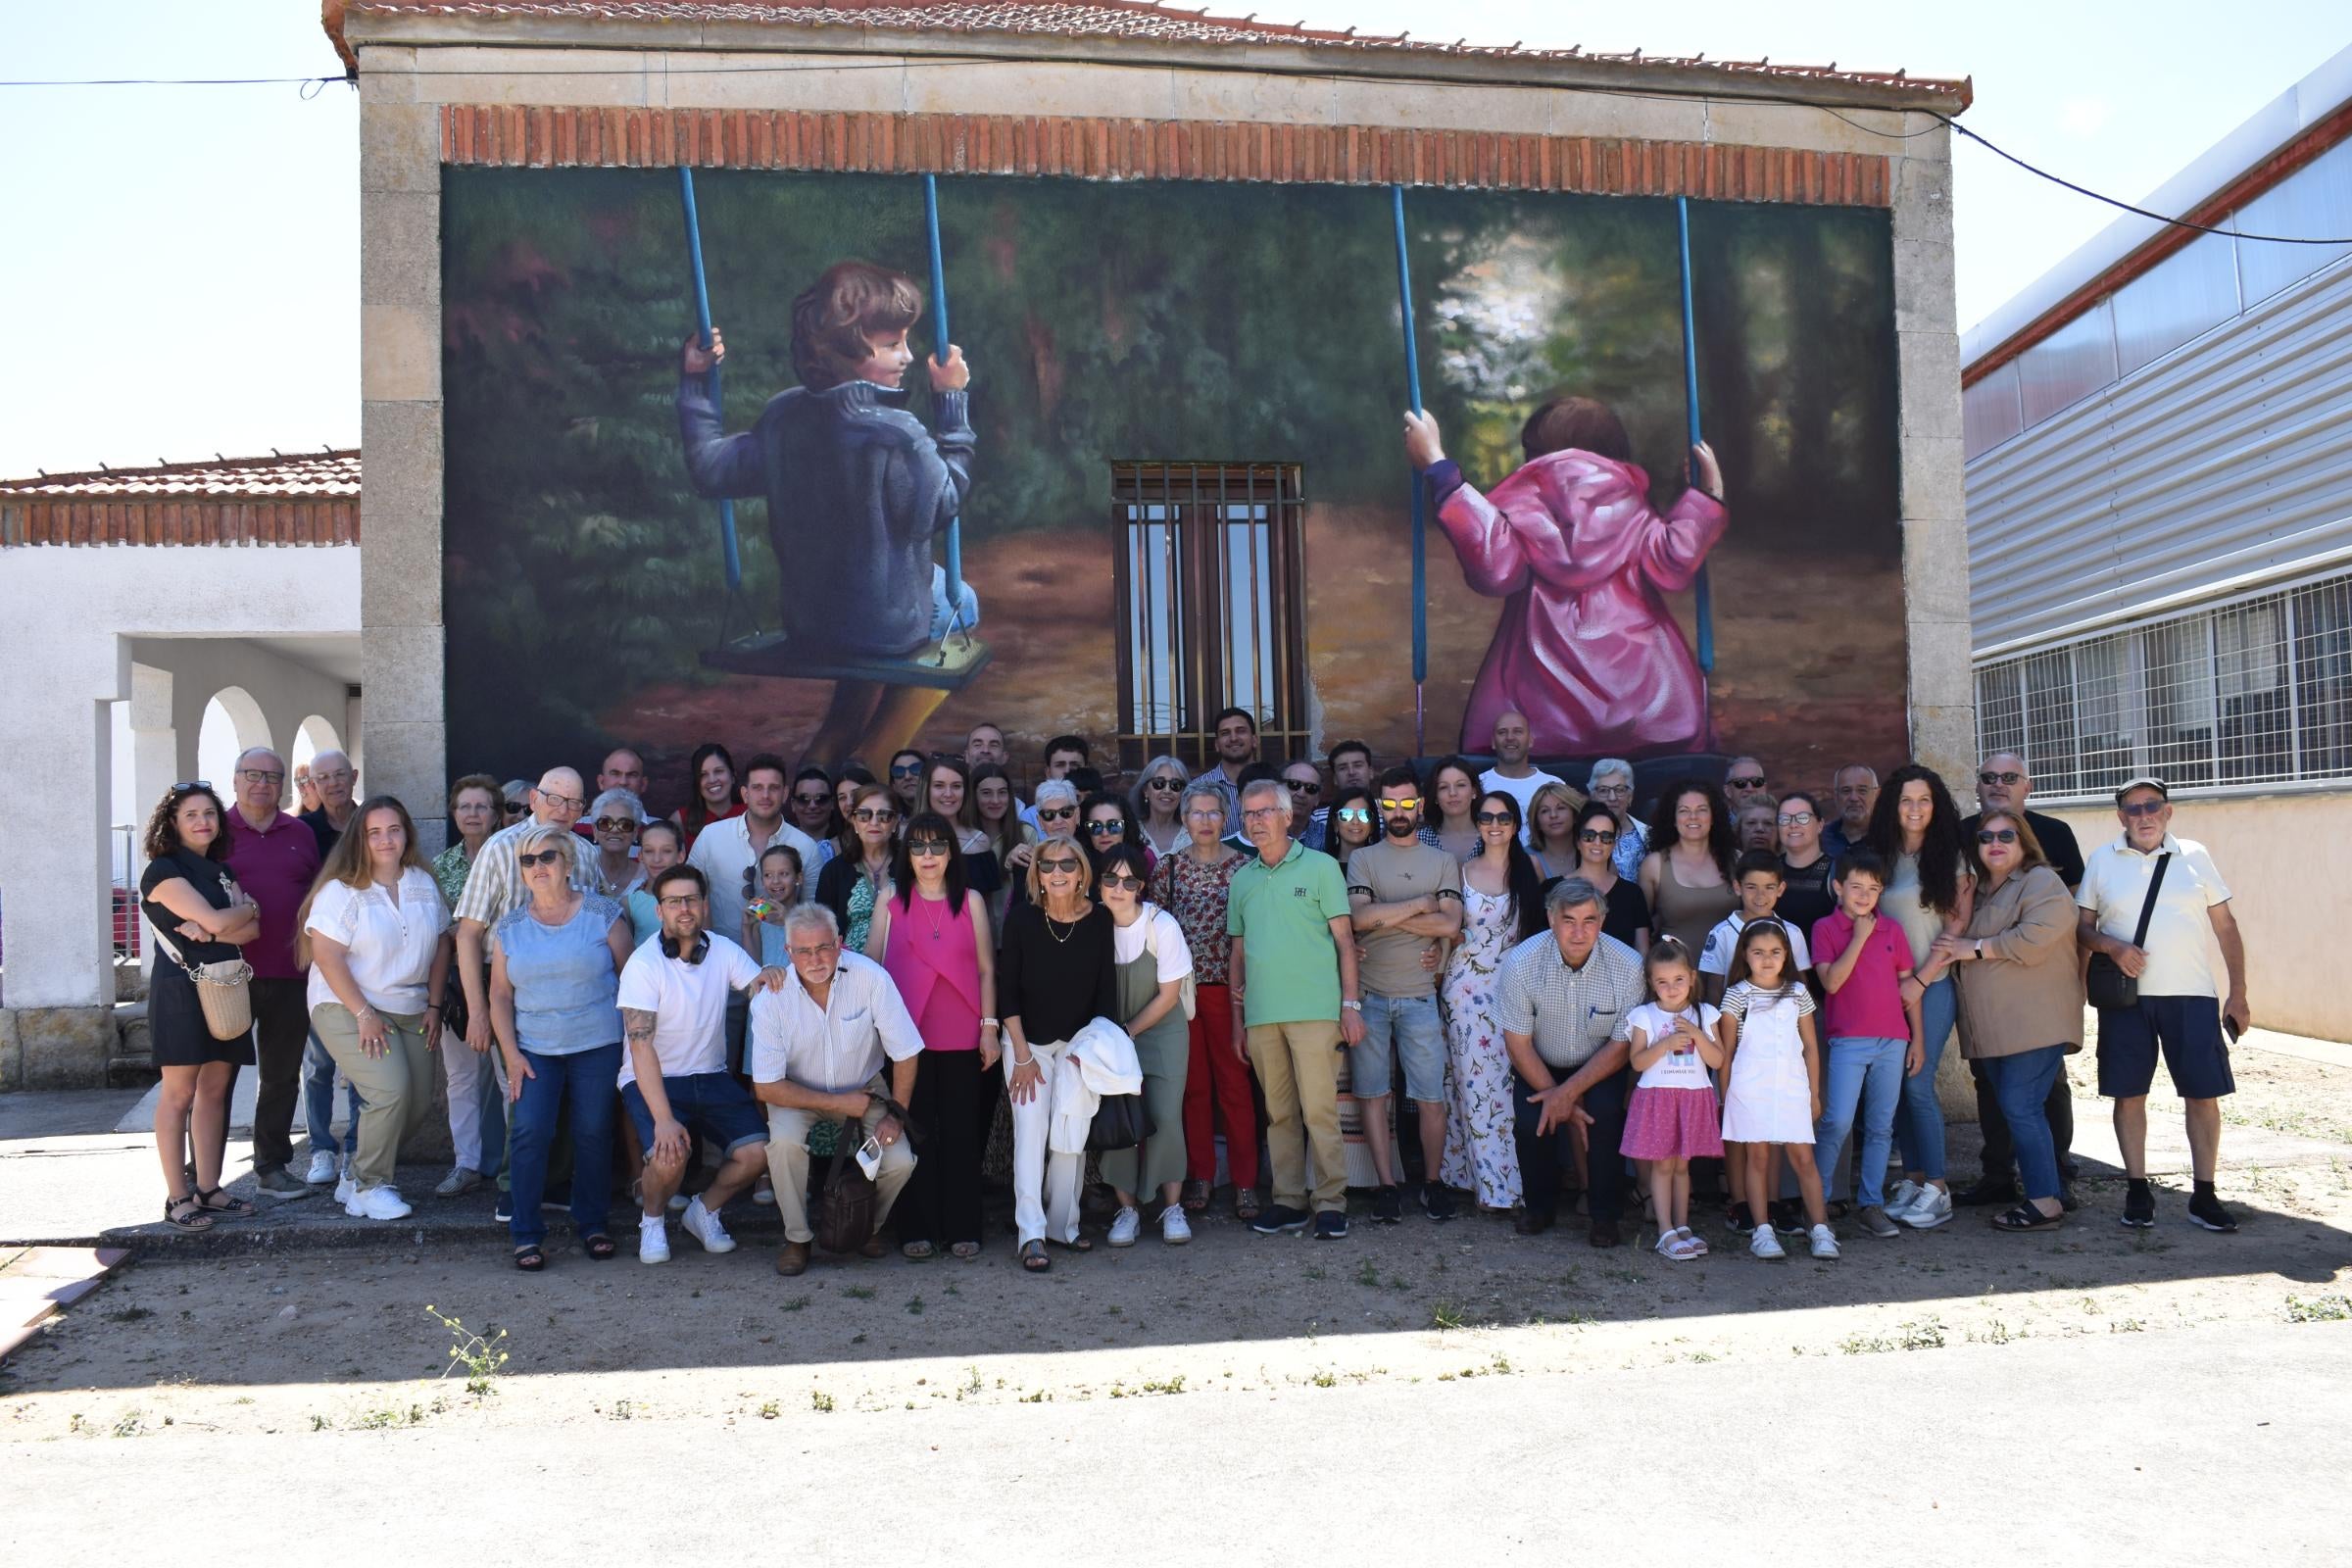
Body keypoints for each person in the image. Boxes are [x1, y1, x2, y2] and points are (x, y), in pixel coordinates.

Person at [681, 259, 975, 764]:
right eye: (892, 344)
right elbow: (949, 498)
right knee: (960, 603)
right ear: (843, 353)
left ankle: (834, 741)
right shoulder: (897, 434)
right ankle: (881, 752)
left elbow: (711, 469)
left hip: (810, 624)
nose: (908, 355)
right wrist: (951, 402)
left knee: (868, 624)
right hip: (886, 628)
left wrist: (693, 383)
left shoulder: (782, 418)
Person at [1404, 399, 1726, 757]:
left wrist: (1440, 469)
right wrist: (1708, 494)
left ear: (1534, 454)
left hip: (1540, 717)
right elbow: (1674, 562)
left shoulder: (1520, 509)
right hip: (1648, 712)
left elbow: (1493, 569)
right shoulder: (1634, 510)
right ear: (1615, 453)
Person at [2076, 778, 2250, 1233]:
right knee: (2128, 1093)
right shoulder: (2101, 860)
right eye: (2133, 809)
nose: (2143, 815)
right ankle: (2137, 1189)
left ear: (2167, 811)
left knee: (2202, 1093)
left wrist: (2239, 993)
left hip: (2192, 995)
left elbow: (2226, 927)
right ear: (2121, 817)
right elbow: (2082, 930)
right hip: (2125, 999)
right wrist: (2111, 946)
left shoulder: (2195, 855)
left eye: (2152, 806)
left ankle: (2205, 1193)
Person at [615, 864, 790, 1263]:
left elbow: (757, 988)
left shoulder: (723, 949)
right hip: (655, 1079)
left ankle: (704, 1211)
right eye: (674, 901)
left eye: (691, 899)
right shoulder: (643, 965)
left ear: (704, 905)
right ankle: (653, 1221)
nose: (685, 908)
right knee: (668, 1152)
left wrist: (772, 974)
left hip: (710, 1076)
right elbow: (641, 1048)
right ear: (659, 910)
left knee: (760, 1152)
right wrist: (663, 1119)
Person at [300, 795, 454, 1222]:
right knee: (389, 1091)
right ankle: (371, 1185)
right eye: (374, 832)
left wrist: (436, 1004)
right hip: (346, 1005)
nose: (385, 840)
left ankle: (354, 1175)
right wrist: (364, 1014)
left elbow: (443, 941)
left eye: (394, 830)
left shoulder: (423, 882)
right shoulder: (342, 890)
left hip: (410, 1006)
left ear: (406, 833)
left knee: (418, 1103)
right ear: (360, 840)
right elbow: (326, 956)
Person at [749, 904, 924, 1275]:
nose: (815, 959)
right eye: (804, 951)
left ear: (840, 943)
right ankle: (797, 1238)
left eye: (824, 947)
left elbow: (906, 1053)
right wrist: (838, 1103)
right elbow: (765, 1087)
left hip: (865, 1086)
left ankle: (864, 1228)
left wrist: (896, 1115)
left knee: (900, 1161)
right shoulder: (770, 1000)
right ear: (788, 952)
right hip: (794, 1093)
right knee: (783, 1145)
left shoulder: (871, 977)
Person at [488, 824, 632, 1267]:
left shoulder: (604, 913)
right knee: (530, 1131)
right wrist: (511, 1055)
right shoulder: (509, 927)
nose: (537, 867)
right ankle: (526, 1232)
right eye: (528, 861)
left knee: (592, 1132)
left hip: (598, 1044)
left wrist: (635, 1046)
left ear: (568, 865)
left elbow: (632, 978)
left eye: (547, 857)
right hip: (534, 1048)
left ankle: (592, 1223)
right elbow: (499, 996)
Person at [1229, 776, 1365, 1241]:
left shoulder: (1323, 867)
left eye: (1266, 811)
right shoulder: (1242, 877)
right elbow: (1238, 955)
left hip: (1315, 1011)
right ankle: (1288, 1201)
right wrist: (1237, 1023)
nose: (1257, 821)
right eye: (1249, 813)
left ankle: (1331, 1202)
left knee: (1320, 1111)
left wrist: (1350, 1005)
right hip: (1262, 1014)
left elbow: (1346, 942)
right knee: (1279, 1113)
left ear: (1288, 816)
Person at [1937, 809, 2081, 1233]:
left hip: (2035, 1022)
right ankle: (2037, 1191)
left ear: (2024, 843)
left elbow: (2036, 937)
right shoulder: (1977, 889)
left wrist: (1975, 948)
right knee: (2013, 1108)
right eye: (1985, 837)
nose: (1995, 843)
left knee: (2021, 1106)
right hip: (1993, 1028)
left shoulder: (2041, 881)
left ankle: (2045, 1202)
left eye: (2006, 836)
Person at [866, 812, 995, 1259]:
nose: (927, 856)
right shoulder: (889, 900)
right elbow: (871, 970)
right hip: (905, 1040)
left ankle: (964, 1227)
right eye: (917, 847)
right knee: (914, 1134)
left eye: (937, 846)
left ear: (950, 853)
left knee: (961, 1134)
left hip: (963, 1032)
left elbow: (985, 969)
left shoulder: (972, 900)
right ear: (906, 854)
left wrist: (990, 1029)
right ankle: (914, 1228)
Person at [138, 782, 263, 1231]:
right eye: (191, 814)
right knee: (178, 1095)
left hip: (225, 986)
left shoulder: (220, 871)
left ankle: (209, 1188)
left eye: (209, 813)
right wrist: (239, 914)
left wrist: (213, 931)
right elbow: (238, 917)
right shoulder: (163, 871)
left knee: (214, 1091)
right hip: (181, 989)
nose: (202, 821)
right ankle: (177, 1198)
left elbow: (252, 930)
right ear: (172, 822)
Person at [1496, 877, 1646, 1245]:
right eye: (1569, 920)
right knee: (1532, 1122)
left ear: (1603, 921)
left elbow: (1620, 1045)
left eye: (1589, 920)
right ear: (1551, 919)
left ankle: (1605, 1217)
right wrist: (1558, 1096)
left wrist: (1572, 1093)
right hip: (1540, 1061)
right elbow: (1517, 1043)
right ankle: (1538, 1209)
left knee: (1606, 1117)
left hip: (1601, 1065)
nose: (1579, 932)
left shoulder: (1628, 965)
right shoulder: (1521, 963)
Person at [1347, 766, 1466, 1222]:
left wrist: (1385, 915)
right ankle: (1386, 1186)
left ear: (1420, 805)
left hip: (1419, 997)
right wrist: (1419, 904)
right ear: (1381, 807)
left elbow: (1451, 924)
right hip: (1371, 994)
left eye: (1407, 803)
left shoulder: (1442, 862)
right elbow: (1358, 919)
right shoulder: (1363, 859)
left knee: (1430, 1097)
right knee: (1373, 1095)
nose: (1398, 812)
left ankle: (1432, 1184)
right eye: (1389, 804)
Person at [998, 835, 1118, 1271]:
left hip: (1079, 1045)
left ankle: (1063, 1227)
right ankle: (1031, 1233)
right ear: (1037, 875)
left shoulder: (1101, 921)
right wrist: (1023, 1055)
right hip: (1025, 1043)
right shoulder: (1023, 921)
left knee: (1071, 1136)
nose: (1058, 873)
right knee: (1030, 1135)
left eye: (1068, 865)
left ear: (1083, 873)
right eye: (1048, 866)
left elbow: (1107, 994)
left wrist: (1087, 1052)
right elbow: (1006, 992)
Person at [1864, 763, 1974, 1231]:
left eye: (1924, 800)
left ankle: (1939, 1188)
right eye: (1906, 800)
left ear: (1936, 806)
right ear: (1893, 805)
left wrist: (1922, 980)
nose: (1914, 809)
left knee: (1916, 1083)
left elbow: (1956, 929)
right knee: (1896, 1090)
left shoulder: (1951, 858)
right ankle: (1912, 1177)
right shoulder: (1878, 858)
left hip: (1930, 987)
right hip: (1883, 991)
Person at [219, 747, 322, 1200]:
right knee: (214, 1076)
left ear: (284, 785)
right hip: (225, 975)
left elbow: (317, 896)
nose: (262, 783)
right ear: (236, 779)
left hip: (289, 973)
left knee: (280, 1076)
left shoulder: (300, 832)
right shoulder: (213, 831)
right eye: (252, 774)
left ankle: (271, 1167)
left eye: (272, 776)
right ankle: (201, 1170)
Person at [1152, 779, 1257, 1219]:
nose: (1206, 821)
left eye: (1214, 813)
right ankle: (1199, 1174)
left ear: (1226, 817)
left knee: (1236, 1089)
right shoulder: (1168, 869)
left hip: (1232, 993)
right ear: (1184, 818)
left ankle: (1247, 1182)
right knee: (1192, 1090)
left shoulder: (1247, 868)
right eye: (1197, 813)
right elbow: (1151, 932)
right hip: (1183, 995)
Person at [1809, 849, 1924, 1241]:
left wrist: (1917, 1039)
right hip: (1848, 1041)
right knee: (1837, 1121)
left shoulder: (1892, 930)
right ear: (1838, 886)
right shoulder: (1825, 928)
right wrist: (1858, 937)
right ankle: (1817, 1205)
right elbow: (1831, 983)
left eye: (1872, 889)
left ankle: (1870, 1204)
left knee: (1880, 1127)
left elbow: (1909, 991)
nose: (1863, 895)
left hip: (1893, 1039)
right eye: (1855, 886)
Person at [1441, 794, 1546, 1213]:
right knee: (1472, 1086)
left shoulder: (1531, 868)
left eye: (1503, 817)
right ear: (1479, 823)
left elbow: (1538, 934)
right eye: (1486, 817)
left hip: (1515, 989)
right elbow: (1450, 930)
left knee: (1509, 1089)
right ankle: (1488, 1188)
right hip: (1465, 991)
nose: (1495, 823)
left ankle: (1513, 1183)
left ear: (1516, 823)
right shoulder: (1461, 870)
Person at [1097, 842, 1196, 1247]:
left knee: (1165, 1117)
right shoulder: (1091, 925)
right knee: (1117, 1118)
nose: (1118, 888)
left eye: (1129, 880)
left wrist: (1128, 1031)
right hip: (1111, 1036)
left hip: (1160, 1032)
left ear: (1141, 886)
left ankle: (1171, 1207)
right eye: (1110, 878)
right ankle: (1128, 1210)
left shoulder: (1161, 925)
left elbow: (1169, 996)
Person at [1717, 921, 1836, 1260]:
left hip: (1791, 1087)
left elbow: (1811, 1048)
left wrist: (1813, 1094)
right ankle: (1762, 1230)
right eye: (1758, 952)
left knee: (1802, 1158)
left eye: (1775, 952)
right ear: (1745, 955)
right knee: (1758, 1157)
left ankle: (1821, 1229)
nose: (1767, 959)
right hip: (1749, 1088)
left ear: (1787, 955)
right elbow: (1726, 1054)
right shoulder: (1736, 995)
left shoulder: (1798, 993)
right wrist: (1725, 1098)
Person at [1619, 938, 1724, 1261]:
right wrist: (1664, 1044)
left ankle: (1682, 1226)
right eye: (1662, 982)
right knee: (1663, 1166)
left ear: (1692, 977)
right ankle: (1664, 1230)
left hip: (1693, 1097)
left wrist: (1695, 1034)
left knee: (1682, 1166)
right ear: (1651, 983)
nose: (1672, 987)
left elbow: (1717, 1060)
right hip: (1658, 1098)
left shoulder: (1705, 1013)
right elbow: (1637, 1062)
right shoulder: (1644, 1015)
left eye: (1678, 979)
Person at [427, 772, 507, 1198]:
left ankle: (517, 1166)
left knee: (511, 1078)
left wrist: (469, 928)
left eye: (481, 806)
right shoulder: (439, 868)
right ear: (454, 814)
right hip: (459, 986)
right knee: (461, 1077)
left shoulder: (516, 857)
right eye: (465, 807)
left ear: (495, 815)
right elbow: (439, 932)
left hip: (508, 981)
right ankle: (467, 1164)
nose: (473, 814)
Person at [689, 752, 822, 955]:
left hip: (783, 965)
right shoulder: (710, 837)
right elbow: (689, 895)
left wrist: (787, 919)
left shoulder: (806, 847)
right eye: (757, 787)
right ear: (745, 794)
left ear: (785, 794)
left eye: (774, 788)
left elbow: (815, 913)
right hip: (719, 962)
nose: (766, 796)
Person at [1698, 851, 1814, 1004]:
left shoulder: (1793, 933)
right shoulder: (1721, 933)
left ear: (1780, 889)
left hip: (1782, 1024)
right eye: (1752, 887)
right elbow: (1714, 989)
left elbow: (1801, 984)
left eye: (1769, 887)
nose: (1761, 895)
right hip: (1735, 1025)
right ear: (1738, 887)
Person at [1640, 778, 1739, 957]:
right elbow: (1641, 928)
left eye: (1701, 810)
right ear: (1673, 819)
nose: (1693, 817)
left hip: (1731, 975)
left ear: (1713, 816)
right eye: (1684, 811)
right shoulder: (1654, 865)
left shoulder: (1737, 861)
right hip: (1672, 980)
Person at [814, 783, 899, 952]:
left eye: (883, 816)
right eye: (864, 815)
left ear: (895, 823)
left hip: (905, 965)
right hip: (851, 969)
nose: (874, 822)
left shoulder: (913, 865)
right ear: (854, 821)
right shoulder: (834, 871)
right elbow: (821, 929)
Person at [1570, 799, 1649, 951]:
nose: (1597, 842)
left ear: (1613, 844)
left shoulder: (1632, 894)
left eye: (1606, 837)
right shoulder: (1552, 889)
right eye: (1589, 835)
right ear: (1577, 841)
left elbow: (1642, 953)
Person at [970, 762, 1035, 927]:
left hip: (1015, 935)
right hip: (973, 935)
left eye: (1002, 793)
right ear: (973, 796)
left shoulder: (1026, 833)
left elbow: (1035, 888)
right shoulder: (964, 838)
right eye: (986, 793)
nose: (996, 800)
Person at [1478, 710, 1565, 827]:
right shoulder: (1477, 784)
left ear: (1530, 740)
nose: (1510, 737)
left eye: (1518, 731)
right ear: (1493, 742)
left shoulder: (1554, 784)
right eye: (1502, 732)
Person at [1003, 778, 1078, 911]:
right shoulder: (1027, 862)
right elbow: (1019, 916)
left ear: (1077, 815)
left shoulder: (1093, 858)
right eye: (1049, 815)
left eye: (1066, 812)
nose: (1058, 821)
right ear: (1040, 821)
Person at [1775, 791, 1838, 938]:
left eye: (1802, 818)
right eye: (1784, 819)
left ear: (1820, 825)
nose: (1793, 825)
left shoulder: (1836, 872)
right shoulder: (1768, 872)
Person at [742, 844, 806, 963]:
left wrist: (789, 922)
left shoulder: (810, 915)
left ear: (798, 878)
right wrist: (747, 928)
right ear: (761, 880)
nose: (775, 881)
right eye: (768, 875)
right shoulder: (761, 913)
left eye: (784, 874)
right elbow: (752, 966)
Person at [671, 742, 742, 850]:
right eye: (703, 774)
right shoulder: (680, 819)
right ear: (697, 782)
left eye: (718, 771)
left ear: (733, 776)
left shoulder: (750, 814)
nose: (712, 780)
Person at [1587, 759, 1648, 879]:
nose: (1612, 798)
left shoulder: (1648, 835)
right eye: (1603, 790)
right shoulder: (1580, 836)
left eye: (1619, 790)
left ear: (1630, 796)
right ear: (1592, 796)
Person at [626, 820, 685, 947]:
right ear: (640, 856)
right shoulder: (630, 903)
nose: (657, 859)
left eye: (667, 851)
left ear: (680, 855)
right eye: (649, 851)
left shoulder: (693, 898)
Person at [587, 788, 648, 898]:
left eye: (625, 824)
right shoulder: (581, 873)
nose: (614, 830)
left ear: (635, 832)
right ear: (595, 831)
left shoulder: (647, 877)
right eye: (605, 823)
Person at [1421, 755, 1483, 858]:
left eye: (1460, 785)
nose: (1452, 793)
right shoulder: (1421, 840)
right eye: (1443, 787)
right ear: (1435, 796)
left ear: (1474, 791)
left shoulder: (1490, 836)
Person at [1130, 755, 1192, 857]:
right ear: (1145, 790)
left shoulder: (1192, 836)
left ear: (1183, 793)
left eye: (1175, 785)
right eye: (1159, 783)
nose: (1167, 791)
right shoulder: (1131, 833)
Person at [299, 749, 358, 856]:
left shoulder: (372, 822)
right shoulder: (302, 829)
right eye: (323, 777)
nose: (333, 783)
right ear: (313, 785)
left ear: (354, 777)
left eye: (340, 774)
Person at [1523, 781, 1584, 880]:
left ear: (1575, 815)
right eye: (1545, 810)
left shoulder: (1593, 851)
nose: (1553, 815)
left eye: (1560, 808)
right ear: (1536, 822)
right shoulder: (1524, 859)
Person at [1083, 792, 1154, 874]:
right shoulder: (1078, 862)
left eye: (1114, 825)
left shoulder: (1145, 858)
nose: (1105, 834)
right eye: (1095, 826)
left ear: (1126, 826)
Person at [1822, 763, 1879, 859]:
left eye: (1862, 791)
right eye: (1846, 791)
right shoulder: (1821, 840)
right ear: (1835, 796)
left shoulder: (1891, 838)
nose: (1854, 798)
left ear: (1876, 795)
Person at [789, 765, 841, 864]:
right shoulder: (781, 843)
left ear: (833, 803)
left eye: (821, 798)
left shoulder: (848, 844)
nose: (812, 806)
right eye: (803, 799)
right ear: (793, 804)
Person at [1324, 786, 1378, 873]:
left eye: (1363, 814)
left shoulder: (1383, 866)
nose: (1355, 822)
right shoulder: (1322, 866)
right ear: (1335, 824)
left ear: (1372, 825)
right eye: (1346, 814)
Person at [1279, 760, 1328, 852]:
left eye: (1311, 788)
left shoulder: (1328, 837)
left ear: (1318, 799)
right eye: (1293, 784)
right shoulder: (1260, 831)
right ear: (1278, 788)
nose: (1301, 793)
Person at [1208, 708, 1257, 791]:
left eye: (1241, 731)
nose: (1233, 738)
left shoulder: (1276, 784)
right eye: (1225, 733)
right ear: (1216, 744)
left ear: (1254, 740)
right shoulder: (1197, 788)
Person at [886, 748, 928, 818]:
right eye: (899, 771)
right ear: (893, 785)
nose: (907, 777)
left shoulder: (947, 814)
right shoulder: (890, 822)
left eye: (916, 768)